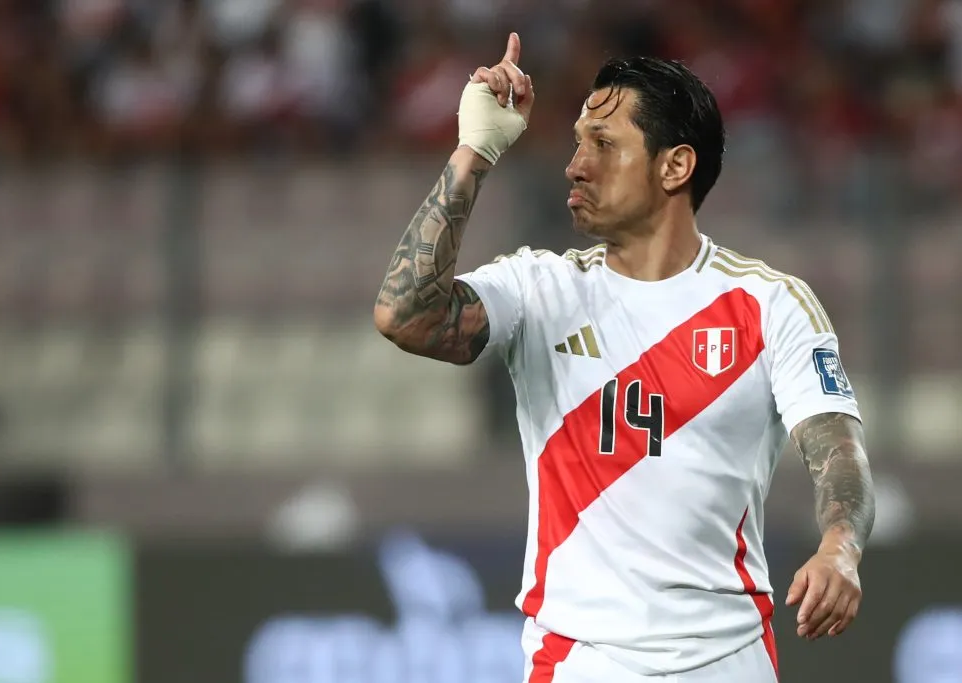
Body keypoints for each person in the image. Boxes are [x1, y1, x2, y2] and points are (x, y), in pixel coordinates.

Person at [373, 32, 876, 683]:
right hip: (582, 660)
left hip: (726, 661)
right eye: (579, 141)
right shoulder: (542, 289)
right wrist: (474, 152)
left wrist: (841, 546)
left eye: (604, 145)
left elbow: (837, 446)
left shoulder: (767, 304)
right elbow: (404, 315)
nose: (575, 164)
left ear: (675, 167)